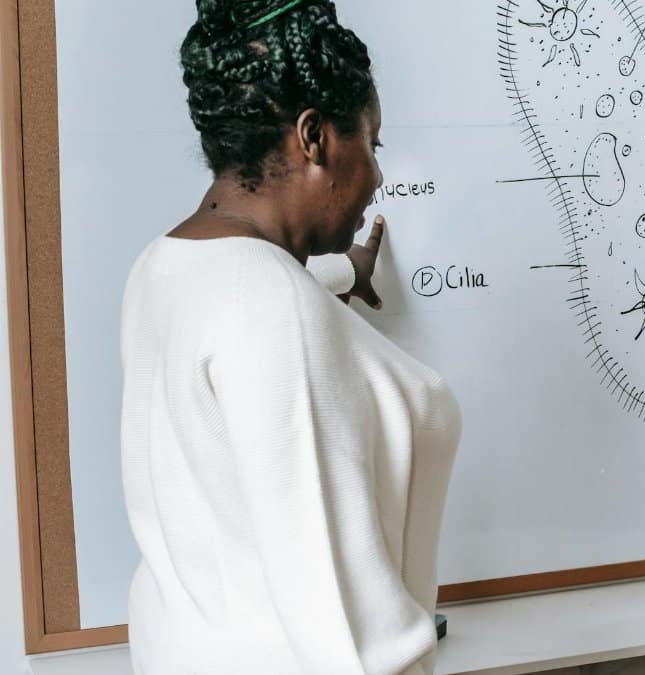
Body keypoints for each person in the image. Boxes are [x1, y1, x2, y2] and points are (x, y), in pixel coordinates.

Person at [120, 1, 460, 673]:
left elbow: (244, 313)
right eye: (373, 141)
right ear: (314, 138)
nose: (380, 175)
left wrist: (344, 271)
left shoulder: (164, 266)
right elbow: (349, 635)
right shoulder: (272, 307)